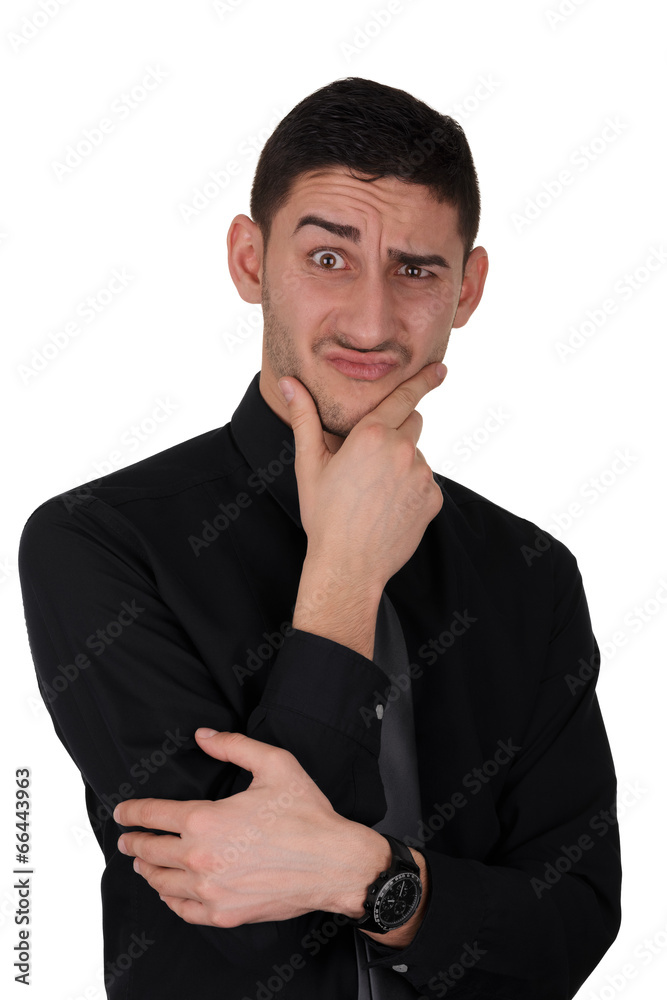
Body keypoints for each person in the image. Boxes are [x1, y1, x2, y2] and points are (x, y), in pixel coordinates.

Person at [18, 76, 621, 999]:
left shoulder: (529, 574)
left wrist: (368, 879)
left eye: (415, 270)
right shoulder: (97, 543)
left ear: (467, 288)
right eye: (328, 258)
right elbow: (246, 923)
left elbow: (572, 927)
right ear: (249, 260)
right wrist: (344, 573)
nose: (372, 323)